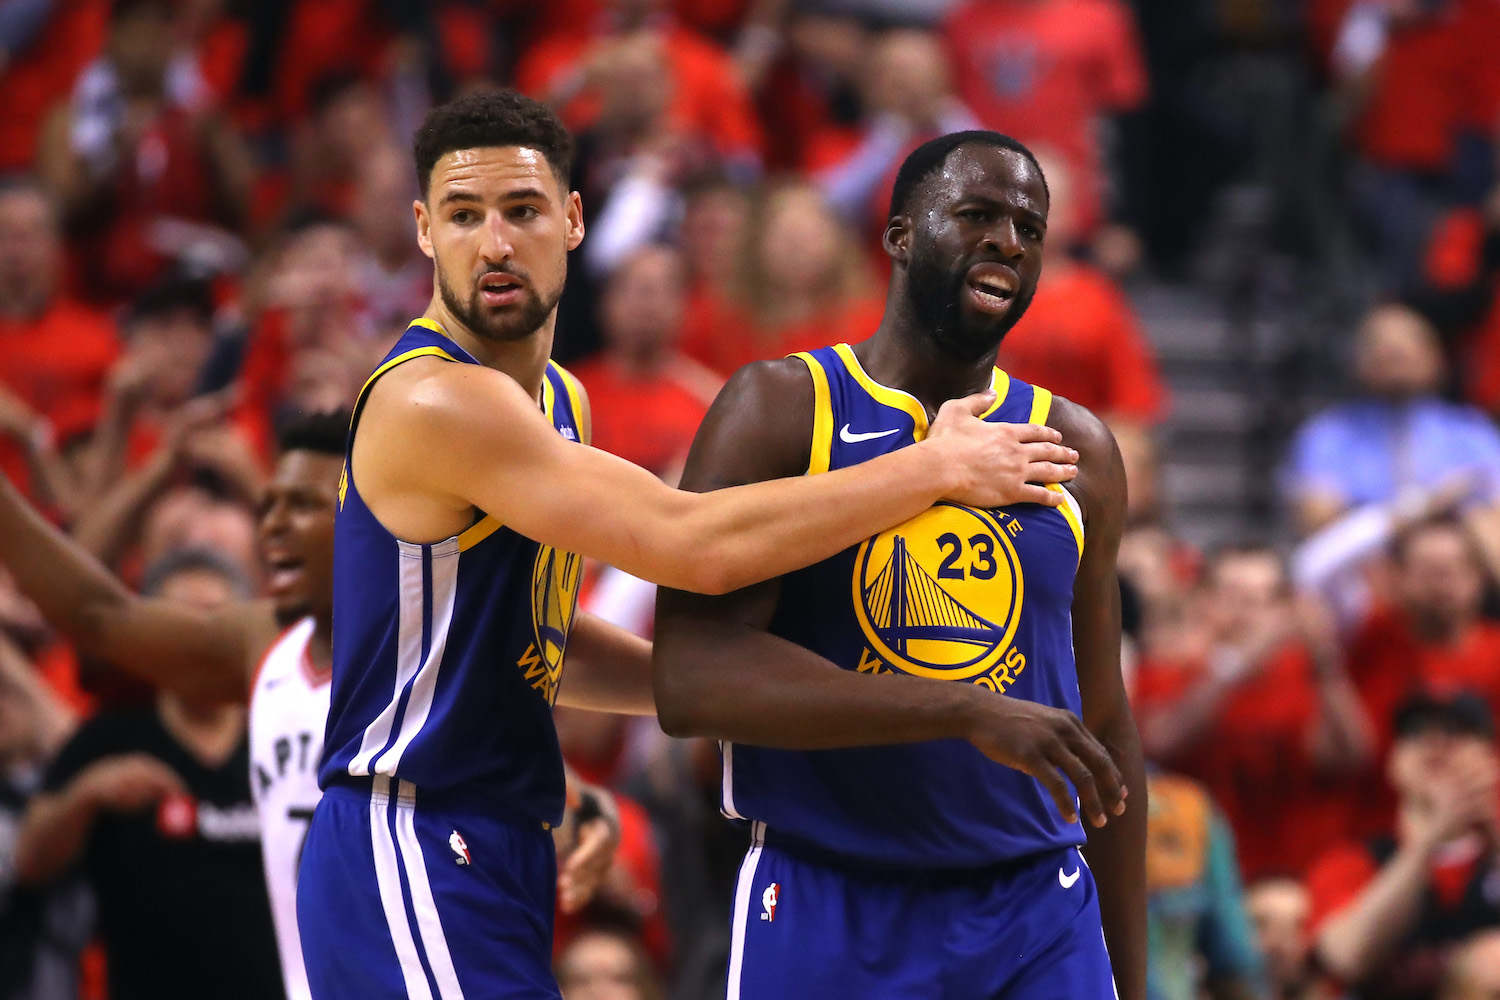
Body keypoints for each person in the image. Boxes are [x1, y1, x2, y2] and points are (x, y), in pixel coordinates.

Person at [298, 93, 1082, 1000]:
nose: (497, 244)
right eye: (465, 217)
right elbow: (689, 544)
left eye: (522, 211)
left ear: (575, 219)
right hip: (408, 830)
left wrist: (736, 689)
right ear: (425, 232)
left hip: (498, 838)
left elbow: (536, 641)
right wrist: (935, 468)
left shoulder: (554, 397)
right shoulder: (437, 400)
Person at [653, 130, 1143, 999]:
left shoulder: (1078, 449)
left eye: (1031, 227)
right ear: (900, 236)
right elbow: (693, 680)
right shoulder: (780, 410)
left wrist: (1131, 983)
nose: (1009, 242)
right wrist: (963, 710)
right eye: (978, 215)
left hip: (1037, 908)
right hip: (829, 896)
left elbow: (1102, 733)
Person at [0, 412, 624, 1000]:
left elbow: (524, 773)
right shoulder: (262, 644)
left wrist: (591, 812)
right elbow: (100, 615)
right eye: (267, 504)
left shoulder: (442, 638)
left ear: (364, 522)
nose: (271, 524)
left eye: (300, 505)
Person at [14, 548, 284, 1000]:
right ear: (149, 636)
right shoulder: (108, 737)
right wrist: (86, 796)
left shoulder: (284, 736)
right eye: (178, 623)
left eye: (213, 622)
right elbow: (30, 865)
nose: (196, 642)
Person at [1308, 691, 1500, 1000]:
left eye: (1458, 730)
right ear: (1393, 762)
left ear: (1491, 757)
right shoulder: (1351, 860)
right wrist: (1430, 838)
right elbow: (1345, 956)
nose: (1436, 742)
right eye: (1416, 730)